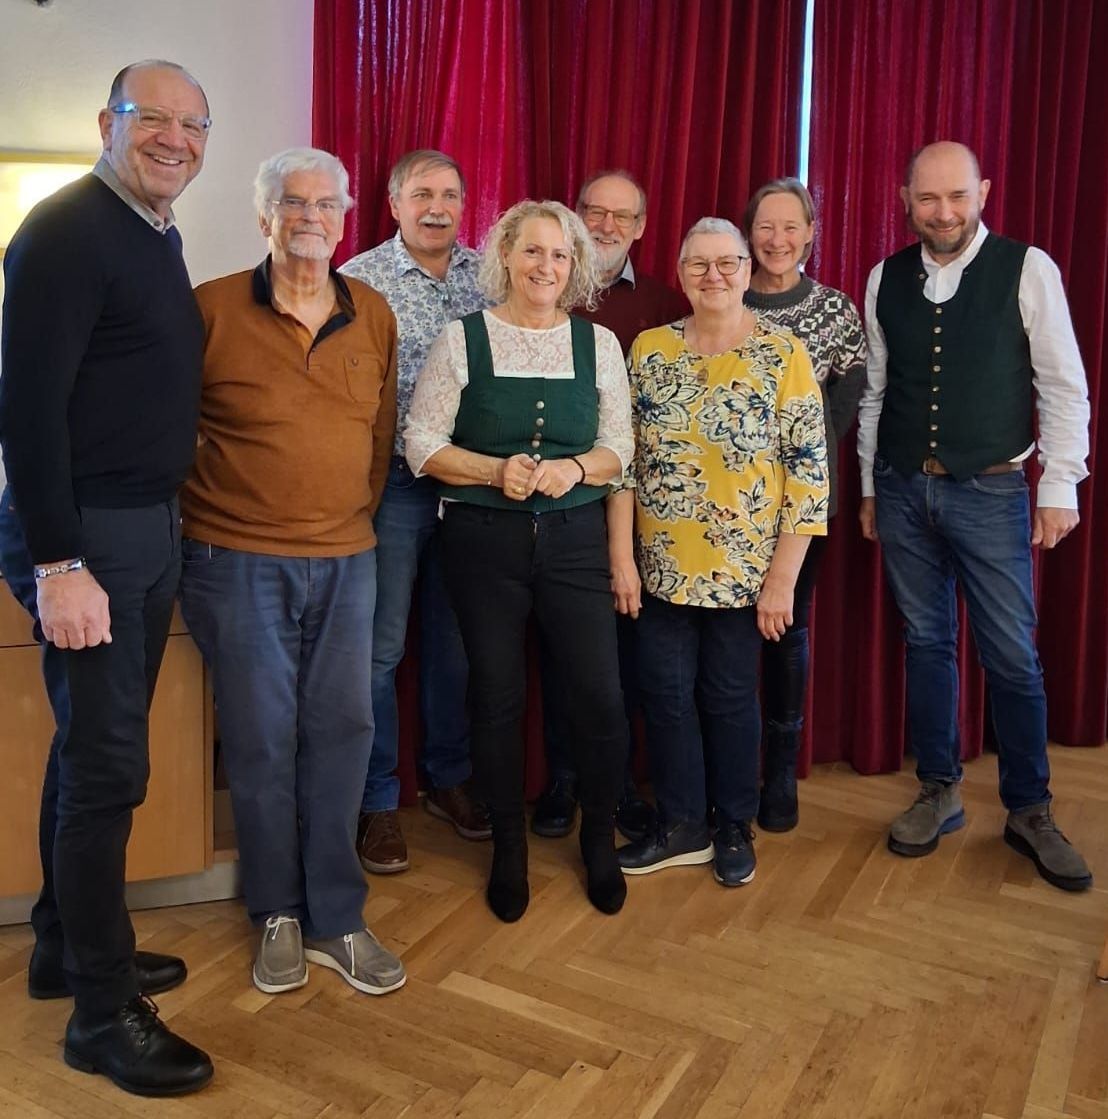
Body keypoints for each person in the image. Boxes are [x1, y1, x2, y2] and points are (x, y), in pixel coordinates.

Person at [0, 61, 213, 1096]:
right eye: (153, 118)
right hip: (90, 539)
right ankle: (98, 1012)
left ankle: (59, 943)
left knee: (91, 752)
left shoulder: (149, 233)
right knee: (106, 772)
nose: (174, 137)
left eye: (191, 124)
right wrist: (58, 563)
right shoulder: (66, 231)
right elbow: (27, 410)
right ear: (107, 123)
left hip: (142, 527)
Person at [178, 148, 407, 996]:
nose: (310, 216)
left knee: (346, 731)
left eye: (326, 203)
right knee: (262, 736)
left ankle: (337, 916)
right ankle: (275, 909)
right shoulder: (207, 309)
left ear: (347, 217)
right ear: (263, 216)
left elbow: (378, 442)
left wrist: (343, 522)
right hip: (233, 560)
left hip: (346, 559)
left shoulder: (373, 312)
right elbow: (170, 434)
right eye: (292, 203)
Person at [857, 141, 1093, 891]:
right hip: (900, 488)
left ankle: (1029, 809)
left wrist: (1061, 484)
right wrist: (867, 486)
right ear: (905, 200)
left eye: (957, 196)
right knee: (926, 643)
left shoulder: (1028, 268)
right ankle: (939, 790)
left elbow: (1063, 384)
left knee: (1012, 656)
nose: (944, 212)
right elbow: (874, 392)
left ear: (983, 191)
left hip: (992, 490)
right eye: (928, 199)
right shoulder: (884, 276)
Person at [405, 199, 633, 922]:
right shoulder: (459, 339)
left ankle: (600, 838)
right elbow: (420, 443)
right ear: (505, 254)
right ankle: (508, 847)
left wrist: (577, 469)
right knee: (496, 697)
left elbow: (621, 447)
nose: (545, 266)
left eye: (560, 255)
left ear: (576, 267)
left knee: (597, 694)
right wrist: (488, 470)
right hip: (482, 545)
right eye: (532, 251)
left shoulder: (598, 345)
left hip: (574, 543)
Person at [613, 217, 829, 887]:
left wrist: (783, 581)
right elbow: (622, 462)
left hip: (744, 573)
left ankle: (732, 821)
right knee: (665, 695)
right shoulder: (647, 348)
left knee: (730, 696)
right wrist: (621, 558)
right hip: (661, 568)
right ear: (679, 272)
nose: (715, 275)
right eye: (700, 264)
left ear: (746, 269)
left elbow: (808, 472)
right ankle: (682, 823)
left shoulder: (782, 352)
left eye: (728, 262)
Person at [340, 150, 490, 875]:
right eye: (422, 193)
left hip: (469, 488)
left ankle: (449, 778)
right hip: (395, 488)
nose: (438, 206)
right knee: (380, 649)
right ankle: (376, 800)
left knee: (455, 644)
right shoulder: (359, 279)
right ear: (394, 201)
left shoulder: (489, 275)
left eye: (451, 194)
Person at [531, 169, 688, 842]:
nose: (605, 225)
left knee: (621, 660)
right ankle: (563, 778)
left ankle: (617, 782)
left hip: (639, 509)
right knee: (561, 655)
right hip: (556, 507)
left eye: (622, 216)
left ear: (643, 227)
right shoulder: (541, 291)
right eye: (593, 211)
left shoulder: (662, 303)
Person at [742, 178, 867, 831]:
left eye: (791, 227)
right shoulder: (724, 295)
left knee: (787, 628)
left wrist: (798, 453)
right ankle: (732, 767)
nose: (778, 239)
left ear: (811, 232)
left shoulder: (835, 310)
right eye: (766, 226)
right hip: (727, 503)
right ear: (748, 231)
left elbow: (848, 396)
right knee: (732, 632)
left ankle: (780, 771)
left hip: (803, 501)